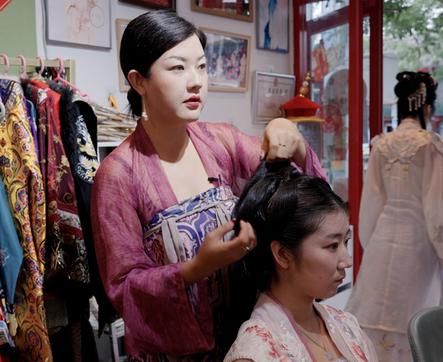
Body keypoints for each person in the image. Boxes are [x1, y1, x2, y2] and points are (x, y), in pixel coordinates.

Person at [90, 10, 326, 360]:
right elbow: (123, 290)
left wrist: (295, 141)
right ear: (139, 81)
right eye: (177, 68)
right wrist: (197, 268)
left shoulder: (222, 141)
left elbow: (309, 195)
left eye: (201, 66)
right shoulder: (119, 175)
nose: (196, 81)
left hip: (247, 343)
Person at [345, 71, 443, 361]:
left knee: (375, 311)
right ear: (425, 107)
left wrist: (371, 241)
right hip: (418, 244)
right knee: (417, 317)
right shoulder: (432, 145)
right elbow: (441, 208)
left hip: (383, 239)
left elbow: (371, 202)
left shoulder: (380, 144)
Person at [224, 161, 377, 362]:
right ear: (283, 254)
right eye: (332, 246)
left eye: (345, 242)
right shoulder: (257, 351)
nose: (347, 261)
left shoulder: (345, 323)